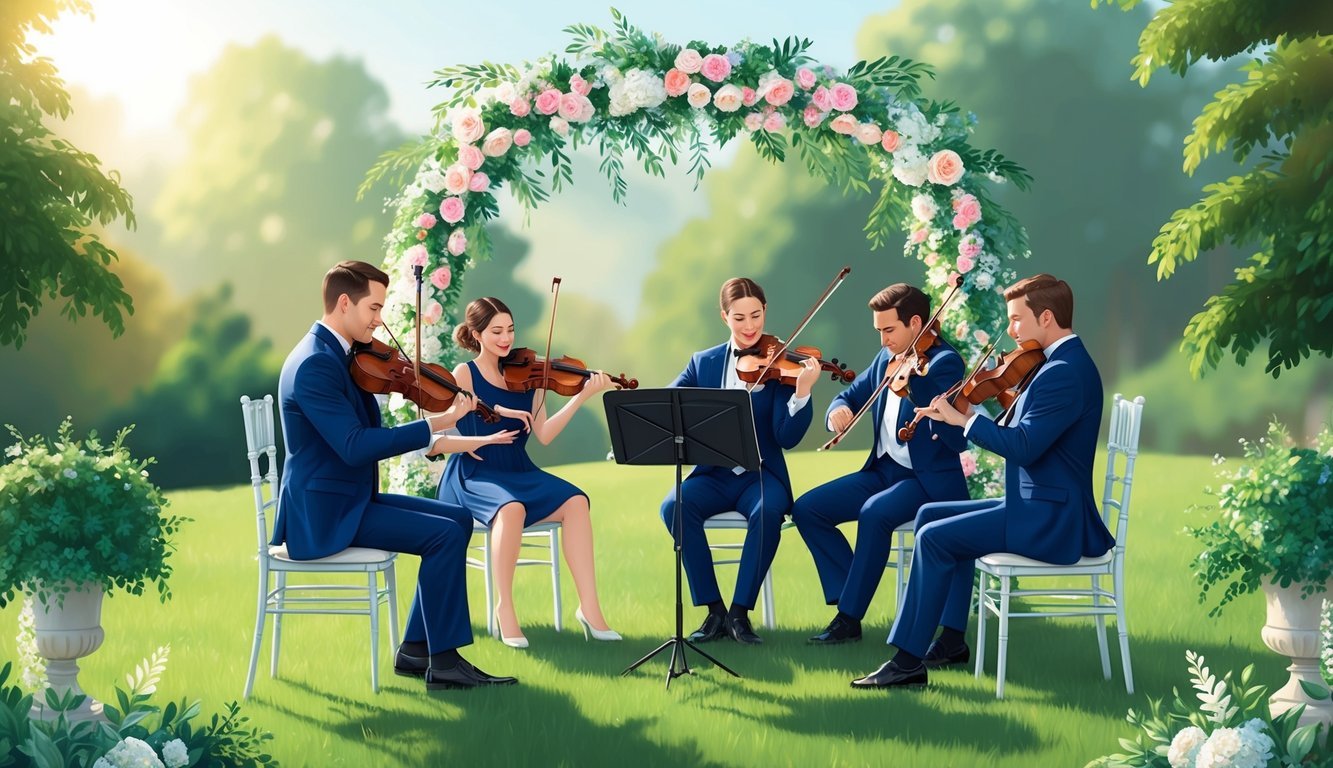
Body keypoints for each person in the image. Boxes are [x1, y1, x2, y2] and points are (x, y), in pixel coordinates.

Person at [851, 273, 1115, 689]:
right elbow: (1024, 427)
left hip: (1049, 518)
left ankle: (906, 662)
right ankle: (952, 639)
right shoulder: (1057, 365)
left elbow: (1025, 447)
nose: (1010, 331)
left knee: (935, 538)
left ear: (1046, 317)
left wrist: (967, 418)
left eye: (1016, 320)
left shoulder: (1063, 372)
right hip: (1038, 503)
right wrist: (964, 414)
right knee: (929, 515)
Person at [272, 260, 518, 690]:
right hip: (327, 515)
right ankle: (444, 662)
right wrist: (436, 423)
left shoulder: (336, 355)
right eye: (373, 308)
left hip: (348, 499)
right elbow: (354, 447)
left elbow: (363, 436)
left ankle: (416, 649)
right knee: (442, 535)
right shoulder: (314, 364)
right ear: (344, 303)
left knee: (457, 519)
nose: (379, 320)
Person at [791, 283, 969, 645]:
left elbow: (951, 429)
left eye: (889, 330)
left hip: (925, 478)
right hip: (883, 470)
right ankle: (849, 591)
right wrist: (837, 410)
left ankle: (848, 619)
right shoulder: (885, 359)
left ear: (916, 323)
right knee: (808, 509)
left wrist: (917, 383)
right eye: (879, 331)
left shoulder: (945, 362)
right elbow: (849, 394)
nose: (883, 340)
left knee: (874, 513)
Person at [438, 297, 620, 649]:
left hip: (517, 469)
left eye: (510, 330)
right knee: (512, 508)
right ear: (476, 334)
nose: (506, 339)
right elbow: (448, 431)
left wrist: (581, 396)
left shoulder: (531, 377)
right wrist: (487, 423)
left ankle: (590, 608)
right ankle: (504, 608)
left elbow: (544, 434)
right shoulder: (465, 374)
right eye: (496, 331)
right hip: (474, 471)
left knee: (577, 501)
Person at [660, 277, 821, 645]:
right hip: (713, 474)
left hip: (761, 475)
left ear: (765, 311)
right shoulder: (704, 362)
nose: (749, 327)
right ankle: (714, 611)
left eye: (756, 316)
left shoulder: (784, 365)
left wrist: (802, 392)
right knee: (674, 506)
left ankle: (739, 614)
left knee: (766, 513)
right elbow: (669, 402)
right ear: (724, 317)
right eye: (739, 318)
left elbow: (787, 438)